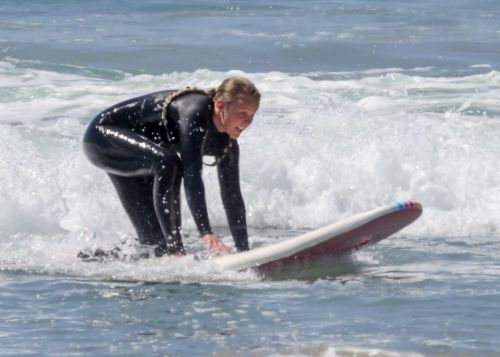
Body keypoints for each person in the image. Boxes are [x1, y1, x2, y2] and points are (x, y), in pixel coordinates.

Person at [82, 76, 260, 257]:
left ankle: (91, 257)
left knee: (155, 248)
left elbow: (232, 196)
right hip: (102, 136)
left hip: (138, 156)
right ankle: (176, 250)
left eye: (252, 115)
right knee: (169, 162)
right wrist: (206, 234)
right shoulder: (195, 111)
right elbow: (192, 176)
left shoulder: (226, 143)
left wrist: (244, 251)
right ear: (220, 105)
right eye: (243, 114)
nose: (247, 122)